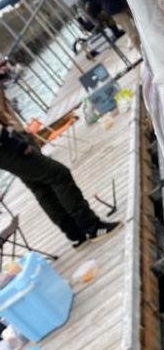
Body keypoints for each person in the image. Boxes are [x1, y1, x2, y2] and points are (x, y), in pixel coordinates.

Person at [0, 61, 120, 248]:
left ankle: (75, 233)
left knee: (41, 186)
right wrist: (16, 145)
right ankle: (92, 227)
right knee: (58, 174)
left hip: (12, 134)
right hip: (7, 144)